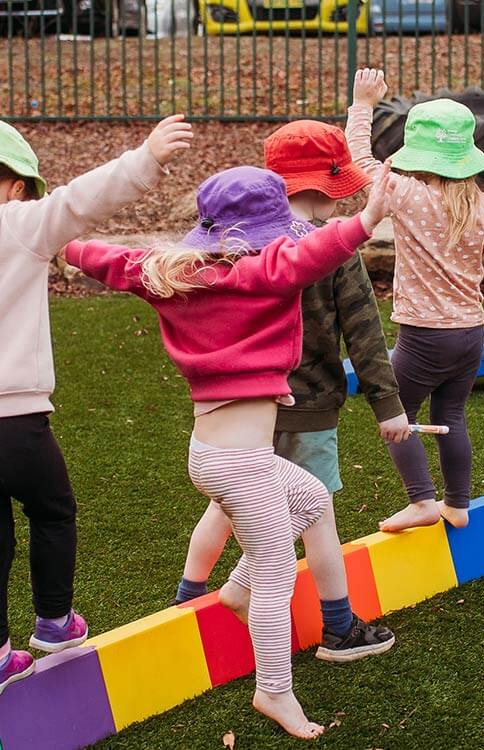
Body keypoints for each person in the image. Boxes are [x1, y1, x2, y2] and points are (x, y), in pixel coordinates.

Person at [63, 164, 394, 739]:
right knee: (275, 570)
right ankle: (274, 690)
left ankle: (235, 593)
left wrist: (51, 236)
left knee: (312, 500)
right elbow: (317, 252)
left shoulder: (173, 273)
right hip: (240, 463)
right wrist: (369, 217)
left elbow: (105, 259)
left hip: (221, 454)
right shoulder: (265, 275)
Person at [0, 112, 192, 699]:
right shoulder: (18, 225)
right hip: (8, 422)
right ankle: (54, 624)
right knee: (53, 512)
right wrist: (148, 156)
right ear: (17, 186)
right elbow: (83, 200)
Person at [173, 121, 404, 664]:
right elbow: (364, 333)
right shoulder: (334, 246)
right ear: (325, 188)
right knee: (316, 513)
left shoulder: (232, 244)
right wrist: (387, 405)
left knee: (231, 503)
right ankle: (339, 627)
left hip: (239, 409)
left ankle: (187, 597)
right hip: (311, 406)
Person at [347, 68, 484, 533]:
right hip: (470, 336)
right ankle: (457, 505)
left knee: (397, 414)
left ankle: (422, 501)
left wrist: (364, 104)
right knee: (451, 414)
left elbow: (359, 160)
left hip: (423, 337)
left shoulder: (405, 194)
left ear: (419, 155)